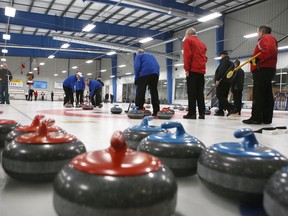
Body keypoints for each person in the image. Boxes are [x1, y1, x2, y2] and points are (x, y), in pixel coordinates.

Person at [243, 25, 278, 124]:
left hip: (262, 69)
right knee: (266, 94)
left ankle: (256, 117)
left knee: (259, 94)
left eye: (257, 32)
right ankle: (266, 118)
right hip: (265, 69)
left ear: (262, 32)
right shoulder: (267, 39)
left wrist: (258, 58)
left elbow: (270, 50)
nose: (257, 34)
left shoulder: (267, 38)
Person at [182, 27, 207, 119]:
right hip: (201, 71)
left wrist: (187, 69)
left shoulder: (188, 40)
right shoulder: (202, 44)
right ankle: (202, 113)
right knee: (200, 93)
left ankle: (192, 113)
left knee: (192, 93)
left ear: (188, 34)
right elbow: (205, 58)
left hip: (193, 70)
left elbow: (187, 55)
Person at [134, 49, 160, 116]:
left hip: (145, 73)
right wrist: (157, 74)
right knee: (154, 91)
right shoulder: (151, 56)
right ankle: (156, 111)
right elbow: (157, 65)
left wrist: (136, 78)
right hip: (155, 74)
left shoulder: (138, 56)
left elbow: (137, 67)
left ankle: (139, 109)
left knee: (140, 91)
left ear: (137, 53)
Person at [214, 51, 234, 116]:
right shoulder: (230, 63)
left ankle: (230, 107)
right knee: (223, 96)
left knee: (219, 95)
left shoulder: (224, 61)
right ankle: (220, 111)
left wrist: (217, 79)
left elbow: (221, 71)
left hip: (222, 82)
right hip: (227, 82)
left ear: (222, 55)